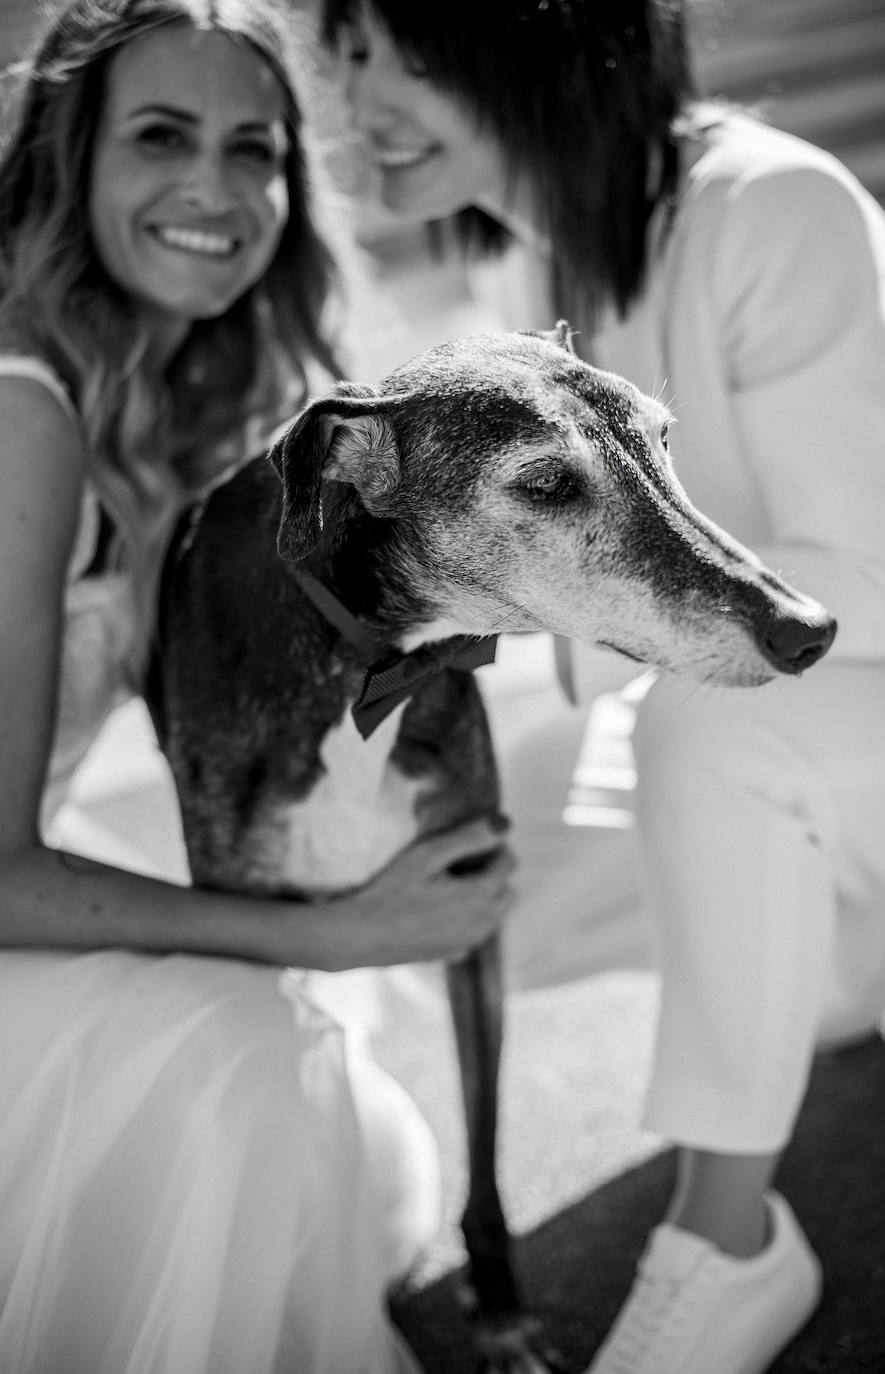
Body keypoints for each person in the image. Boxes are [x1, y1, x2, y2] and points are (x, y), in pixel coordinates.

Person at [321, 1, 885, 1371]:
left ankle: (728, 1238)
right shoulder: (533, 255)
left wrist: (618, 628)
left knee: (694, 735)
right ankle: (808, 969)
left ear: (532, 37)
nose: (352, 104)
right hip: (769, 743)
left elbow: (876, 592)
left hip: (879, 719)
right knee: (428, 857)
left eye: (392, 53)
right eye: (339, 60)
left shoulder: (767, 205)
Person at [0, 2, 515, 1371]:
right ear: (69, 161)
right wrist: (337, 935)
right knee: (237, 1058)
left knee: (318, 1106)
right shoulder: (22, 413)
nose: (217, 191)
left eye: (257, 147)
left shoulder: (183, 391)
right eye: (161, 137)